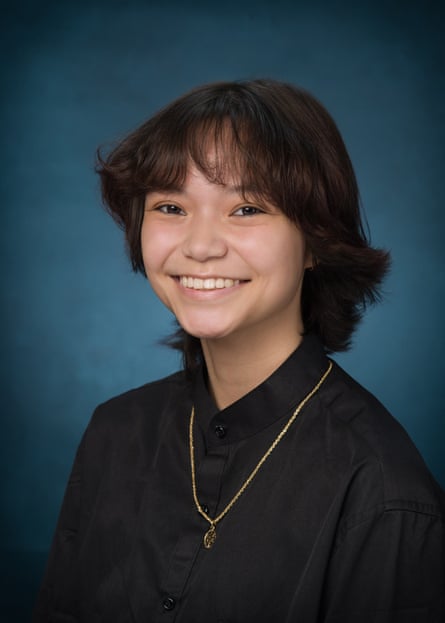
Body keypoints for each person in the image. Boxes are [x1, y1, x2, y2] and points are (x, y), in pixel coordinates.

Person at [34, 80, 444, 622]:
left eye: (247, 208)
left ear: (316, 242)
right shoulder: (114, 433)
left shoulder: (383, 494)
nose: (200, 246)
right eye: (170, 206)